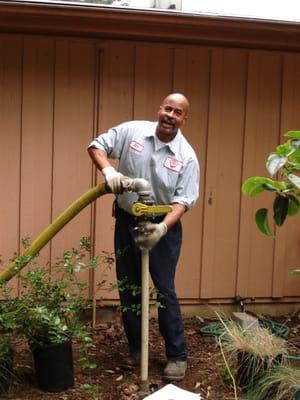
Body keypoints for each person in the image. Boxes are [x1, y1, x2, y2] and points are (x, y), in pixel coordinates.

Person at [88, 93, 200, 381]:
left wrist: (162, 228)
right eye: (167, 108)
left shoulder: (186, 156)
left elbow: (183, 201)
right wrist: (109, 170)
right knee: (130, 288)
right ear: (159, 108)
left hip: (163, 225)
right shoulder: (132, 131)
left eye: (178, 112)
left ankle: (177, 356)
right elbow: (96, 146)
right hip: (127, 220)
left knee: (164, 291)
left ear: (184, 119)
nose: (170, 115)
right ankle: (137, 350)